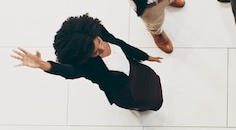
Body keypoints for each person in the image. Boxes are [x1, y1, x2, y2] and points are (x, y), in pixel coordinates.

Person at [11, 14, 163, 111]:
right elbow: (70, 71)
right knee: (149, 101)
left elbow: (119, 43)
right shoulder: (88, 67)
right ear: (84, 56)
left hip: (138, 71)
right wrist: (45, 65)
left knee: (155, 83)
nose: (102, 48)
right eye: (96, 52)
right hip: (127, 91)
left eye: (99, 42)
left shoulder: (98, 31)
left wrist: (144, 56)